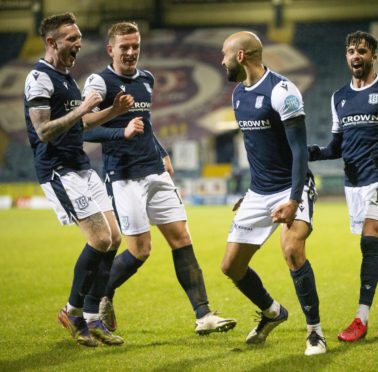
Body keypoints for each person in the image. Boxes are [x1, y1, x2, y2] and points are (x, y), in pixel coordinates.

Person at [82, 21, 237, 335]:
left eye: (135, 46)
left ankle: (203, 315)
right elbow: (85, 125)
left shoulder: (147, 79)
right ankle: (95, 296)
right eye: (124, 47)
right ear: (110, 49)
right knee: (140, 250)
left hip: (154, 169)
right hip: (124, 176)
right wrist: (120, 131)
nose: (130, 52)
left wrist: (162, 152)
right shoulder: (99, 82)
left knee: (182, 239)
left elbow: (146, 123)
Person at [23, 12, 131, 347]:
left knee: (114, 237)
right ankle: (72, 312)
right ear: (51, 41)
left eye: (79, 38)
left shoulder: (67, 77)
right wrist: (83, 106)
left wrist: (112, 111)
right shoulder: (39, 79)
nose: (79, 44)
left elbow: (79, 125)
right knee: (99, 239)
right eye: (72, 39)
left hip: (81, 165)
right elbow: (43, 131)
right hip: (58, 168)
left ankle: (93, 318)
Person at [308, 30, 378, 342]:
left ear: (373, 55)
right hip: (353, 183)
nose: (355, 56)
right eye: (351, 52)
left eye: (361, 51)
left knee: (370, 241)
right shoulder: (338, 97)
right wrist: (315, 153)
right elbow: (337, 146)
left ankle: (360, 318)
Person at [220, 31, 326, 356]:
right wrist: (251, 193)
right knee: (231, 268)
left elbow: (299, 151)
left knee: (292, 249)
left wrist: (294, 199)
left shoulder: (283, 92)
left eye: (224, 54)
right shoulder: (237, 95)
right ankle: (272, 312)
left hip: (292, 186)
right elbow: (258, 150)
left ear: (240, 56)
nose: (221, 61)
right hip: (259, 192)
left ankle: (315, 334)